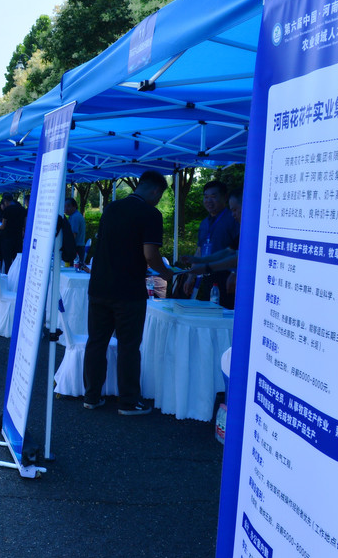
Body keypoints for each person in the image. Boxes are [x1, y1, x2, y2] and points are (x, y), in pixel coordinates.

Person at [82, 170, 175, 416]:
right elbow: (150, 255)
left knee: (96, 342)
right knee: (128, 345)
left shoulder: (111, 208)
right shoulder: (150, 214)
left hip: (99, 286)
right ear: (156, 191)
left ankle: (91, 396)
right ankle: (128, 401)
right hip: (128, 291)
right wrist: (165, 273)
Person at [187, 180, 240, 301]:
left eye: (213, 196)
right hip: (207, 275)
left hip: (226, 276)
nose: (208, 201)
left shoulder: (233, 218)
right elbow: (199, 250)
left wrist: (234, 273)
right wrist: (191, 276)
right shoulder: (204, 223)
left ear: (225, 197)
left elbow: (238, 249)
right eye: (206, 197)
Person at [0, 192, 26, 272]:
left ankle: (8, 276)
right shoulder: (22, 209)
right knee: (17, 260)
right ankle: (15, 276)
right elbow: (25, 224)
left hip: (7, 238)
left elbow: (3, 225)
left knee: (7, 261)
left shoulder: (7, 210)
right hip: (18, 238)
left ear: (5, 201)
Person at [65, 198, 86, 265]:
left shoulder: (75, 217)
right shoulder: (73, 216)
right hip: (78, 247)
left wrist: (66, 246)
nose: (66, 209)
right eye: (64, 206)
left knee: (73, 270)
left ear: (74, 207)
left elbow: (73, 235)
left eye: (68, 206)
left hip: (76, 248)